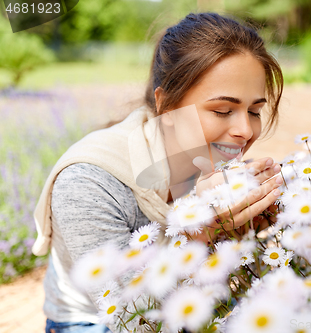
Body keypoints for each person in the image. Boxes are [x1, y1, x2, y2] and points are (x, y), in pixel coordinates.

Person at [32, 12, 284, 333]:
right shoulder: (89, 183)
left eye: (254, 111)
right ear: (166, 105)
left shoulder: (213, 166)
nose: (245, 130)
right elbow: (133, 321)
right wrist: (201, 233)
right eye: (223, 110)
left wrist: (244, 226)